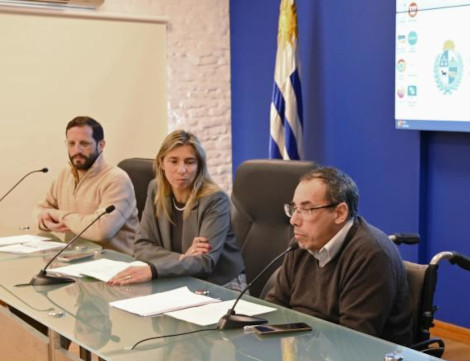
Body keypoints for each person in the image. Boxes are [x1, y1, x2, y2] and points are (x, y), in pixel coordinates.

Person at [265, 167, 413, 346]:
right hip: (306, 349)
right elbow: (275, 307)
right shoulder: (300, 245)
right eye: (294, 209)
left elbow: (353, 341)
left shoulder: (371, 255)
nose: (294, 220)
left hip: (363, 359)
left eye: (306, 209)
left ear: (340, 213)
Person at [107, 130, 245, 290]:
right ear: (161, 163)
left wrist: (153, 270)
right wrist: (182, 258)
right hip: (178, 278)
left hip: (222, 284)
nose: (181, 170)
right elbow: (141, 246)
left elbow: (204, 263)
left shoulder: (214, 199)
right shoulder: (156, 189)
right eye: (173, 161)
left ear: (199, 165)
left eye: (190, 162)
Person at [36, 116, 138, 254]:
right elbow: (41, 210)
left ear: (101, 145)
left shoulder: (117, 179)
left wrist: (59, 215)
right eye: (71, 143)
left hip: (115, 262)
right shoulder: (65, 173)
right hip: (76, 258)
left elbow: (101, 230)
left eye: (84, 143)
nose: (76, 150)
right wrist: (45, 222)